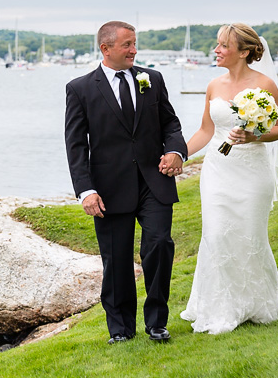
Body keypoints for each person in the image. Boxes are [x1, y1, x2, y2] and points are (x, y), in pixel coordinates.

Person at [65, 21, 188, 344]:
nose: (134, 50)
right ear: (106, 49)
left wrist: (176, 151)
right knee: (116, 259)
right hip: (108, 187)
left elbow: (170, 123)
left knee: (159, 245)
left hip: (154, 181)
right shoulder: (80, 88)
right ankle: (120, 329)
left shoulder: (153, 79)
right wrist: (86, 190)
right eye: (127, 45)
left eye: (135, 44)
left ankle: (157, 322)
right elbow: (76, 144)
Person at [180, 22, 278, 334]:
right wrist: (178, 154)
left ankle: (255, 302)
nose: (217, 50)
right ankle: (219, 306)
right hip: (217, 171)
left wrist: (254, 137)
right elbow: (206, 131)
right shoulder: (214, 86)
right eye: (217, 44)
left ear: (244, 52)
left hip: (253, 173)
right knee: (216, 233)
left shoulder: (265, 84)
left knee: (250, 235)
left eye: (223, 46)